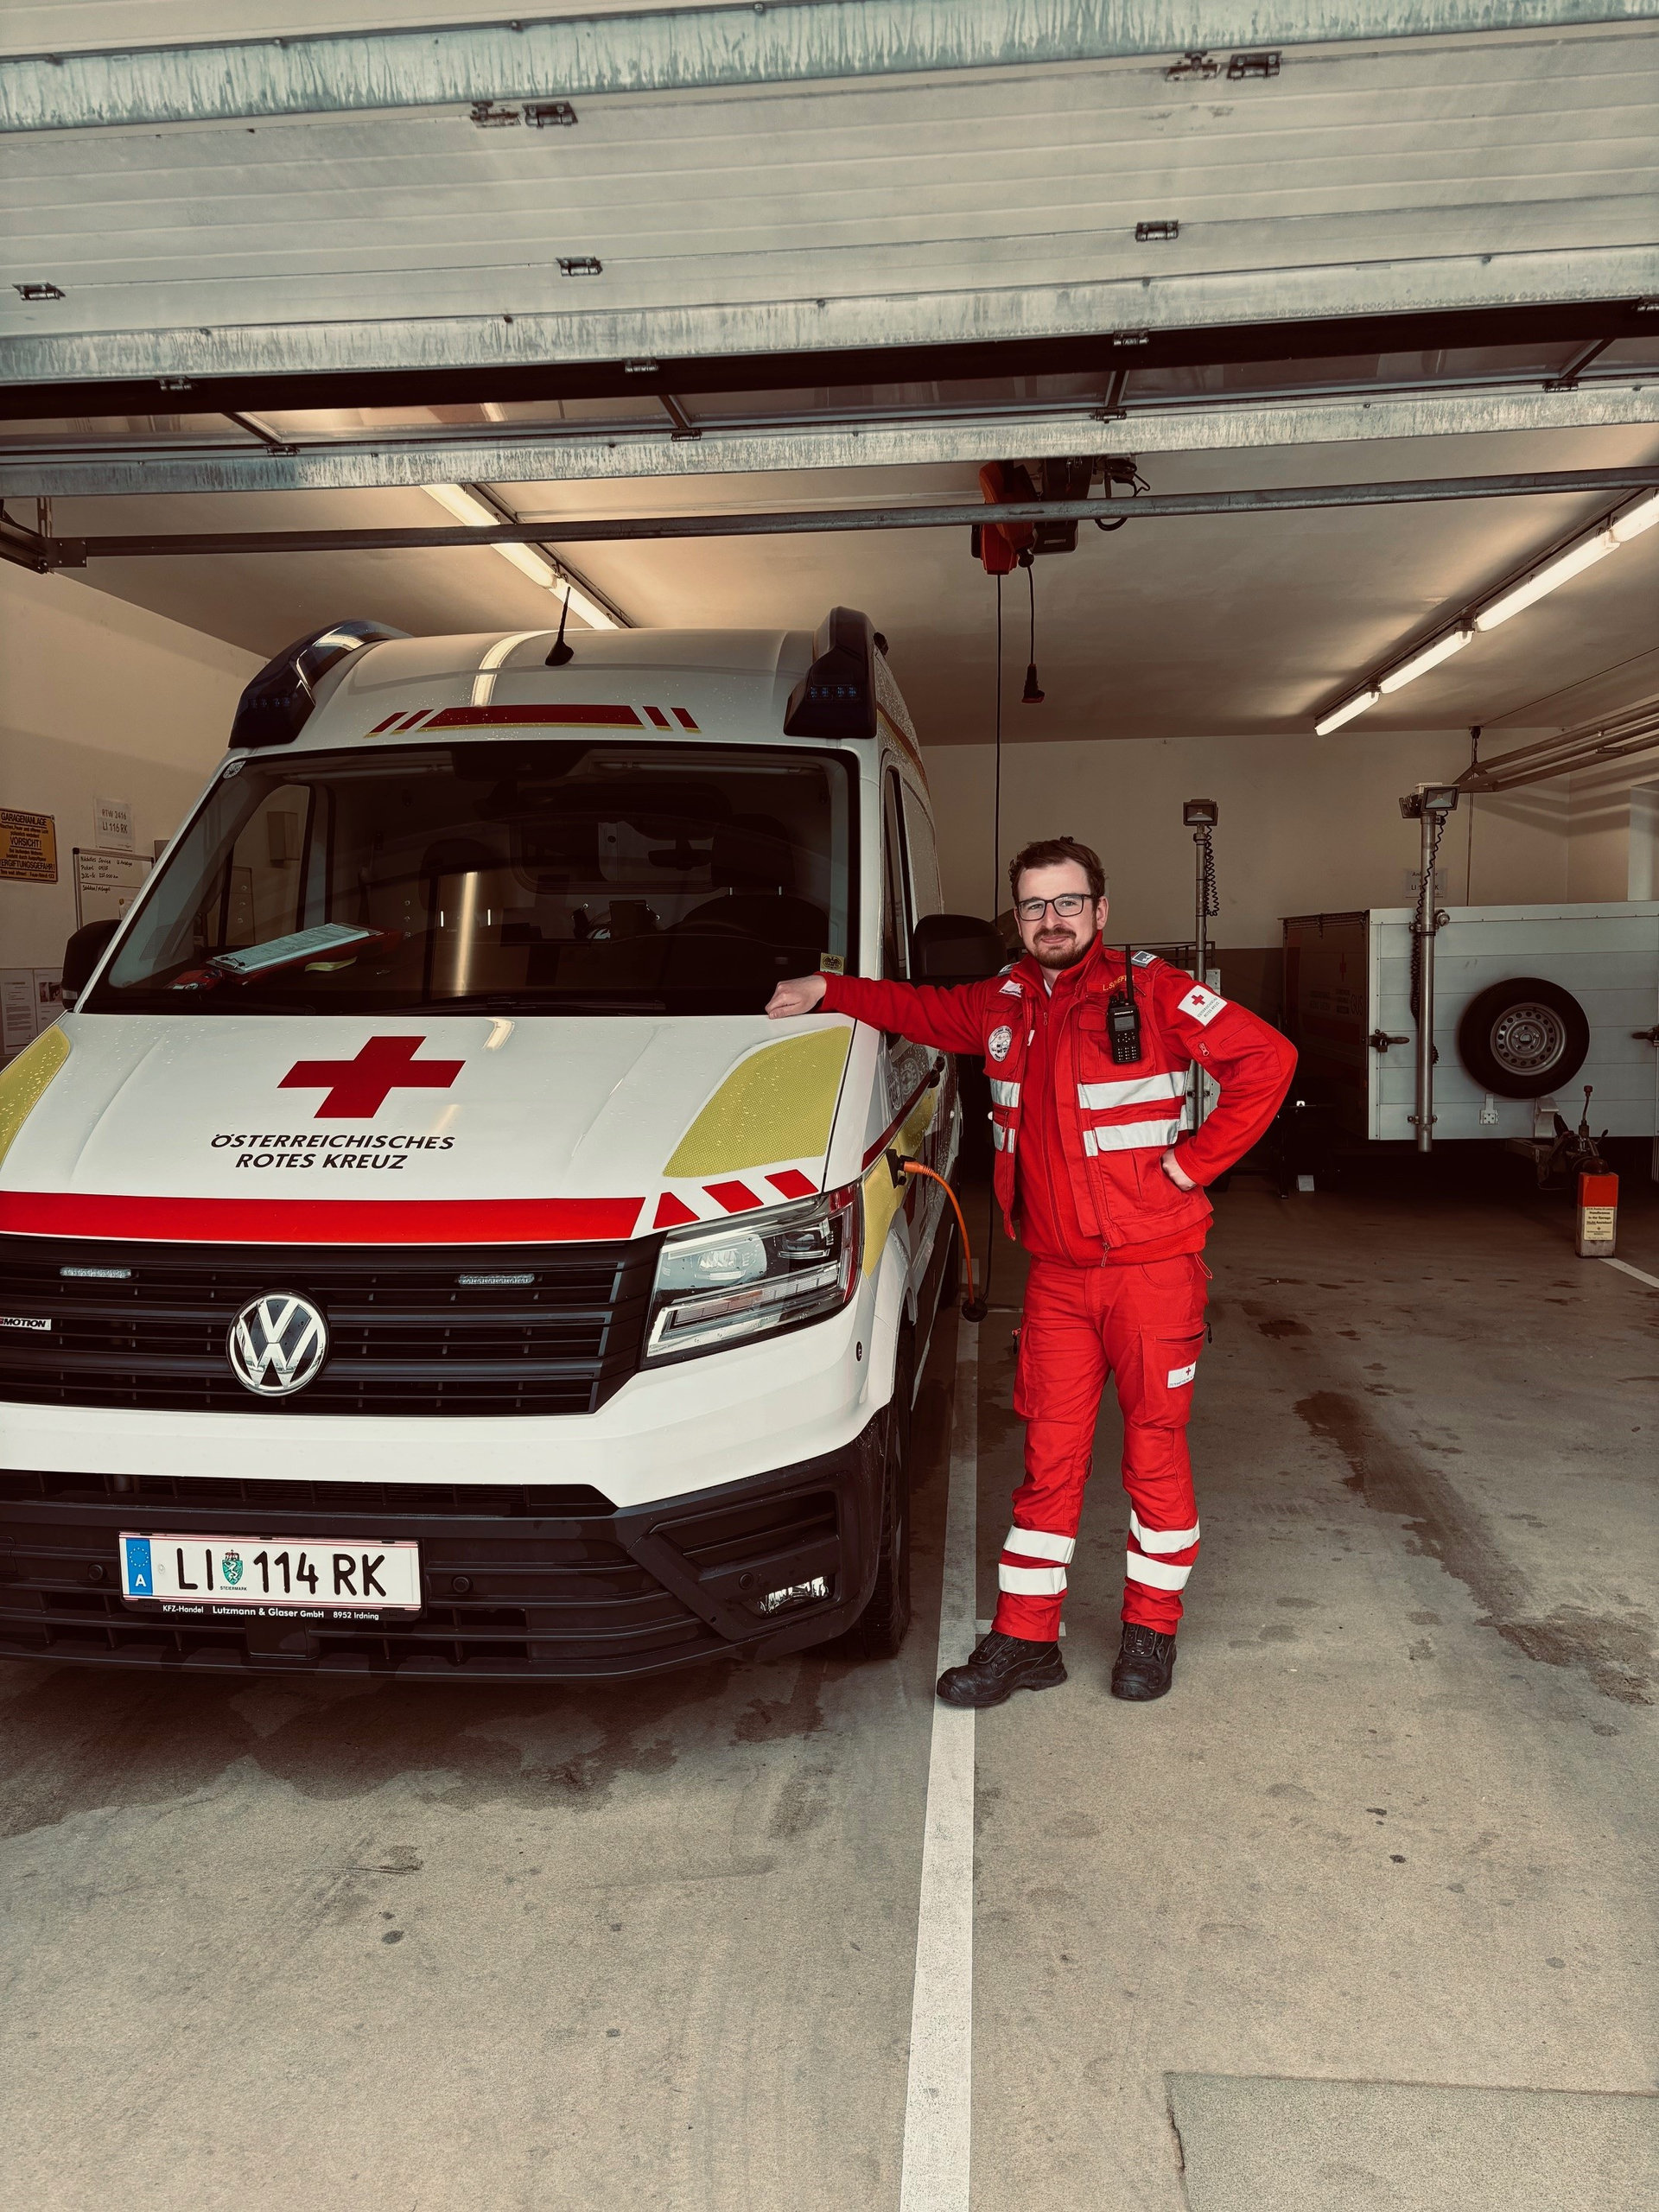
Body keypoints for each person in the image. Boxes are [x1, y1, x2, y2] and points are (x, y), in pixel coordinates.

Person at [766, 836, 1297, 1707]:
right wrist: (831, 991)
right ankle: (1025, 1638)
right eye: (1035, 906)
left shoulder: (1154, 990)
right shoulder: (1001, 1001)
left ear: (1100, 909)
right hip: (1057, 1277)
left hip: (1153, 1270)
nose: (1052, 920)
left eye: (1068, 902)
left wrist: (1193, 1164)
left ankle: (1151, 1630)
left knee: (1154, 1453)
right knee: (1048, 1459)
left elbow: (1267, 1060)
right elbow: (915, 1008)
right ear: (1017, 918)